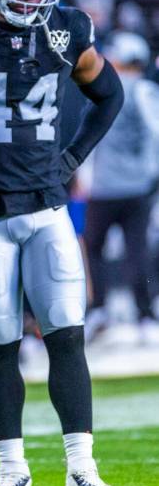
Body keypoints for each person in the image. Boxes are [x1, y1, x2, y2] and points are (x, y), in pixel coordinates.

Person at [0, 0, 125, 486]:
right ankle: (13, 471)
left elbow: (109, 93)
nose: (30, 0)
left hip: (47, 207)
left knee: (67, 337)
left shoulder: (66, 28)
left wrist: (73, 157)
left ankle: (83, 469)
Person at [84, 32, 159, 343]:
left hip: (105, 185)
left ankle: (99, 308)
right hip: (136, 185)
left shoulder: (109, 86)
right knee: (136, 250)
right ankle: (144, 315)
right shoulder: (144, 89)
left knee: (95, 249)